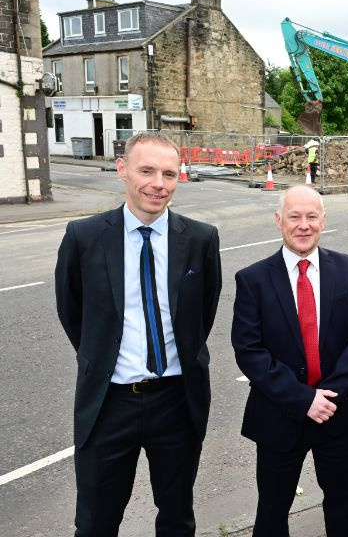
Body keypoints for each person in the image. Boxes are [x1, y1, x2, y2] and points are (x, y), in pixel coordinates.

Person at [55, 132, 223, 536]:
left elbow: (203, 314)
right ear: (122, 170)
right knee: (96, 522)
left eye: (168, 173)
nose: (158, 184)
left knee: (177, 518)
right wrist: (104, 356)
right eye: (146, 171)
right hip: (110, 403)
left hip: (176, 400)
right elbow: (72, 312)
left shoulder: (200, 238)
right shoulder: (84, 236)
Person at [231, 185, 348, 537]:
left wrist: (328, 395)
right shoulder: (253, 279)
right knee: (272, 509)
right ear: (279, 221)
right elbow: (249, 350)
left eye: (312, 216)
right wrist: (303, 399)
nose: (303, 224)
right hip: (279, 415)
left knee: (342, 502)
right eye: (294, 216)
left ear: (323, 221)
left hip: (337, 411)